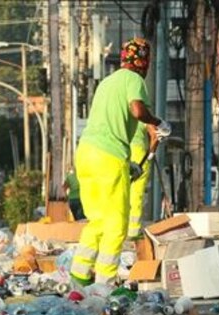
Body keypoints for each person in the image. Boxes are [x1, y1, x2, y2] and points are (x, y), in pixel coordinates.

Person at [69, 37, 171, 286]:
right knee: (117, 223)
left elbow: (109, 126)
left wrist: (129, 165)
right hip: (108, 157)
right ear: (143, 63)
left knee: (98, 220)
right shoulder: (133, 79)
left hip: (86, 154)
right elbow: (137, 111)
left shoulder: (106, 82)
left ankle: (79, 277)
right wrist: (157, 122)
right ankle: (105, 284)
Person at [128, 123, 159, 239]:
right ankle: (133, 232)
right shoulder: (142, 112)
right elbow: (155, 134)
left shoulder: (121, 111)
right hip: (138, 153)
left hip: (121, 152)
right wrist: (151, 152)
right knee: (136, 195)